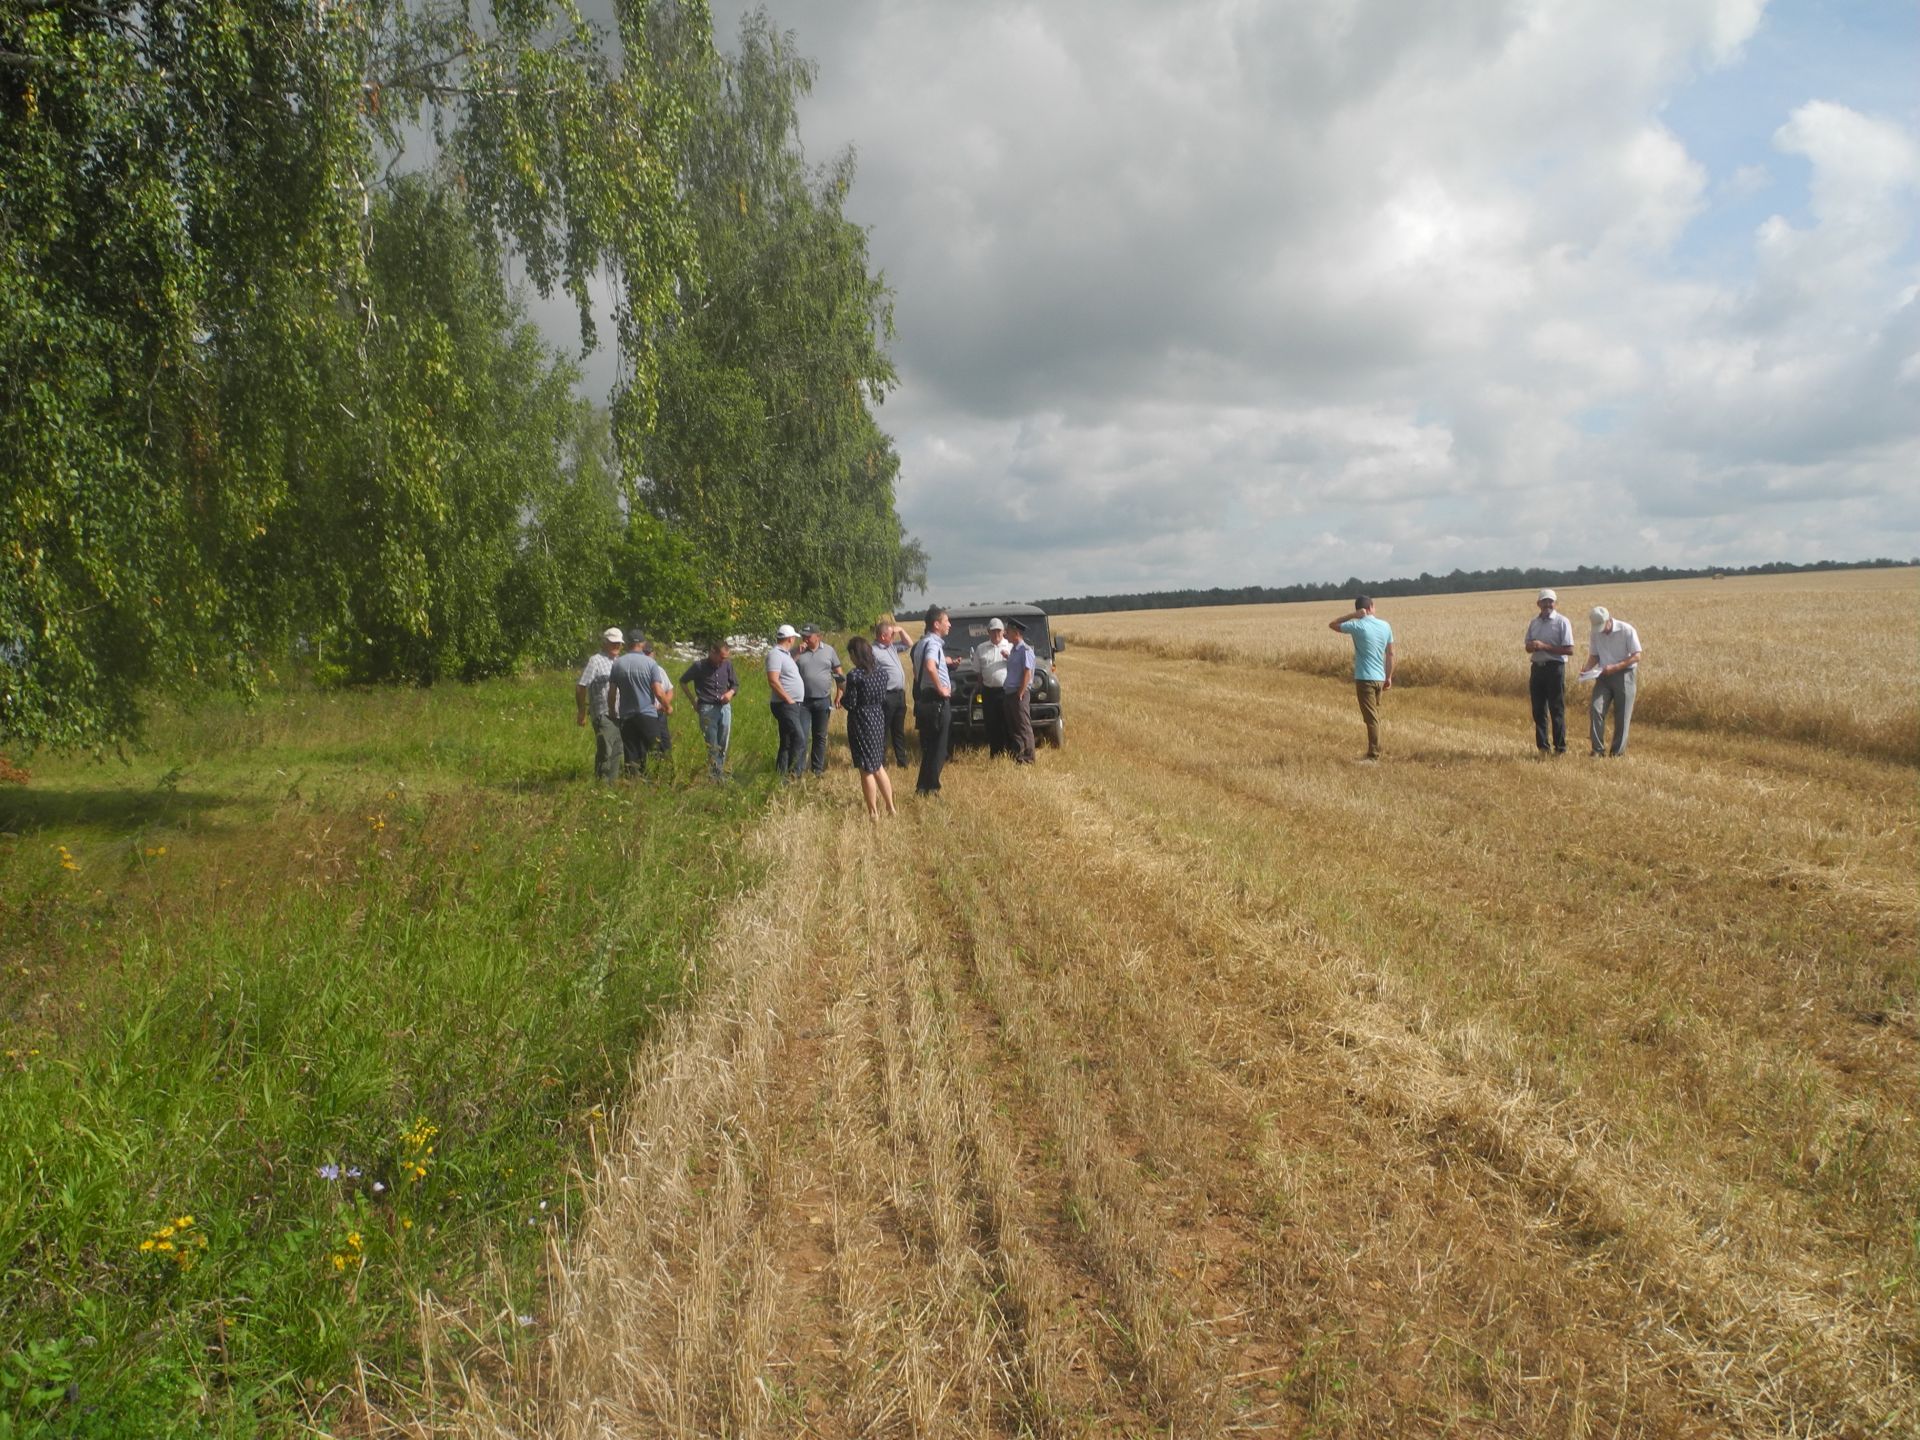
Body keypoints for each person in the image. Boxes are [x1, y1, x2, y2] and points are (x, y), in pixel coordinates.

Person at [838, 634, 897, 820]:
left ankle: (873, 812)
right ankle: (891, 807)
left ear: (856, 654)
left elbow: (851, 703)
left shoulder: (854, 676)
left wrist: (842, 687)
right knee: (878, 765)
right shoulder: (881, 672)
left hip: (861, 720)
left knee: (866, 769)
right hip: (878, 717)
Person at [1329, 596, 1395, 761]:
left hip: (1364, 678)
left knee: (1371, 718)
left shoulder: (1357, 625)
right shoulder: (1386, 626)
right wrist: (1389, 677)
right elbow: (1391, 654)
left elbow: (1333, 624)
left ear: (1360, 609)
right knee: (1374, 716)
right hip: (1380, 678)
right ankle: (1376, 748)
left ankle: (1373, 755)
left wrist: (1353, 615)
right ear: (1372, 606)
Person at [608, 629, 673, 778]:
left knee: (631, 754)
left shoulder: (618, 664)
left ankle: (633, 783)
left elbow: (611, 693)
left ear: (627, 644)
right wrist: (667, 706)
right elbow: (657, 690)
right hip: (647, 715)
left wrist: (612, 711)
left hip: (627, 716)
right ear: (642, 644)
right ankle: (660, 780)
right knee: (657, 750)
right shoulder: (650, 663)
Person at [1585, 606, 1643, 757]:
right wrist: (1586, 669)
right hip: (1603, 675)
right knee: (1595, 708)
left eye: (1603, 627)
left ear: (1609, 619)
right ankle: (1597, 750)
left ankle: (1617, 753)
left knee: (1622, 714)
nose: (1601, 631)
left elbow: (1637, 656)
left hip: (1625, 675)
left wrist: (1616, 667)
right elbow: (1594, 656)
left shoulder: (1627, 630)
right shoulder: (1595, 633)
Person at [908, 605, 954, 795]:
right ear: (936, 624)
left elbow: (916, 671)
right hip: (937, 701)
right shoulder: (933, 644)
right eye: (946, 621)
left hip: (925, 699)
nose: (949, 625)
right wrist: (941, 689)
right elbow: (929, 666)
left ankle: (922, 787)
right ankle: (932, 788)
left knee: (928, 748)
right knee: (940, 749)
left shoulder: (920, 644)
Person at [1524, 589, 1574, 755]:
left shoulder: (1562, 622)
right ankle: (1543, 747)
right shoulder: (1534, 623)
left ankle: (1560, 748)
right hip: (1537, 668)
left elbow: (1569, 650)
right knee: (1538, 710)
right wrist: (1531, 647)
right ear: (1538, 604)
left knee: (1556, 708)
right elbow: (1527, 647)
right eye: (1544, 601)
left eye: (1550, 601)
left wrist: (1543, 646)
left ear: (1555, 603)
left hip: (1555, 669)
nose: (1547, 605)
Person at [679, 639, 739, 781]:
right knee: (712, 744)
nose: (723, 660)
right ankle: (715, 777)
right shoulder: (699, 666)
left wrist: (730, 693)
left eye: (725, 657)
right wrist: (693, 701)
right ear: (713, 652)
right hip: (707, 707)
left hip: (725, 707)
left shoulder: (727, 665)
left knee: (723, 742)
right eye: (721, 657)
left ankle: (720, 773)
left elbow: (735, 684)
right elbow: (683, 681)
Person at [794, 623, 845, 777]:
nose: (805, 639)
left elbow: (838, 672)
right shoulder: (798, 652)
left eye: (808, 636)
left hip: (823, 700)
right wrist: (797, 653)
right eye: (803, 636)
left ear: (818, 637)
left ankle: (817, 769)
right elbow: (787, 669)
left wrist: (840, 692)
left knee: (820, 736)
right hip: (803, 701)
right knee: (801, 735)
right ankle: (798, 770)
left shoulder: (829, 651)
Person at [575, 627, 624, 783]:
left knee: (617, 750)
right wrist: (582, 711)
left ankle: (612, 785)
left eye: (619, 643)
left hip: (619, 712)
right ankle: (601, 784)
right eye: (613, 643)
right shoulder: (595, 660)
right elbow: (582, 685)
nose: (616, 646)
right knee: (606, 749)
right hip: (602, 712)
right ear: (604, 642)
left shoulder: (620, 662)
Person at [767, 624, 807, 781]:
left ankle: (781, 774)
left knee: (788, 740)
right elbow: (773, 680)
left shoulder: (785, 654)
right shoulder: (775, 654)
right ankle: (793, 773)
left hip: (790, 704)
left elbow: (787, 668)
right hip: (785, 704)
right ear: (790, 639)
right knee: (799, 738)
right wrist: (789, 699)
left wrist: (797, 653)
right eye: (794, 638)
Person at [872, 617, 910, 767]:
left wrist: (900, 630)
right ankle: (881, 761)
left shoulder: (891, 647)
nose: (893, 637)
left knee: (898, 730)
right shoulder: (873, 651)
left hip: (900, 695)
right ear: (883, 636)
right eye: (891, 634)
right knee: (884, 730)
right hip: (887, 695)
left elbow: (908, 644)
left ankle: (902, 761)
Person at [973, 618, 1013, 756]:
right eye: (993, 631)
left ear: (1004, 632)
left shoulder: (1010, 647)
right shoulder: (981, 648)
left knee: (1008, 722)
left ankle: (1010, 751)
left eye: (998, 631)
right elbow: (978, 671)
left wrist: (1010, 658)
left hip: (1006, 691)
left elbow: (1018, 668)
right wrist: (981, 687)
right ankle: (995, 752)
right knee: (991, 722)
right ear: (988, 632)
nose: (996, 634)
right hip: (988, 691)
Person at [1001, 616, 1037, 765]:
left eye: (1007, 632)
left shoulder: (1025, 650)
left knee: (1023, 725)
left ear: (1016, 633)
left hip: (1018, 693)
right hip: (1010, 693)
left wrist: (1021, 693)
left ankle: (1029, 757)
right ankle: (1018, 753)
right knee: (1014, 725)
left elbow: (1027, 673)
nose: (1005, 635)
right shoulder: (1015, 651)